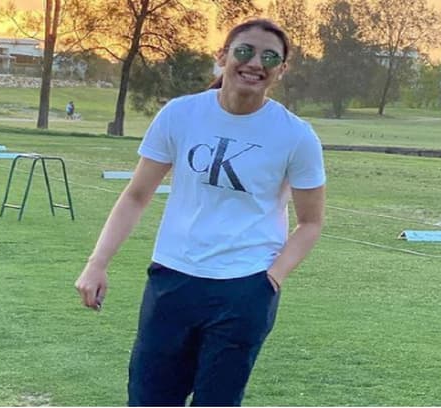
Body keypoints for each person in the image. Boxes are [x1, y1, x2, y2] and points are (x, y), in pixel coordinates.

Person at [75, 18, 326, 406]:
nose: (255, 63)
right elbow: (136, 195)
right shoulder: (180, 114)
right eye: (244, 51)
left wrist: (271, 279)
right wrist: (97, 263)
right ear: (222, 56)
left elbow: (311, 222)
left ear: (282, 69)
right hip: (172, 279)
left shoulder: (296, 135)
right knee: (149, 398)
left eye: (269, 57)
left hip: (245, 287)